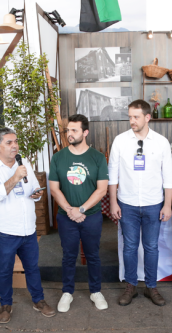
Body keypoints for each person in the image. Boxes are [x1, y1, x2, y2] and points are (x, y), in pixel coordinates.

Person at [0, 127, 55, 323]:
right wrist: (14, 177)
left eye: (15, 142)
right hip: (6, 231)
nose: (14, 146)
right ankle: (6, 304)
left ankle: (38, 300)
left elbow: (33, 188)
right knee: (5, 270)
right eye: (9, 143)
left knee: (32, 268)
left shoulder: (24, 163)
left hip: (28, 229)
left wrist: (37, 193)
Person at [108, 99, 172, 306]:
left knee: (151, 247)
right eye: (130, 117)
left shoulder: (161, 142)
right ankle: (130, 286)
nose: (132, 121)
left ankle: (151, 286)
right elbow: (113, 175)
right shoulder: (120, 141)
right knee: (129, 247)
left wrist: (167, 205)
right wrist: (113, 203)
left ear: (147, 117)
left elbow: (169, 177)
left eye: (136, 117)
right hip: (127, 203)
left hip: (153, 203)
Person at [49, 114, 109, 312]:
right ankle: (67, 292)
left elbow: (102, 189)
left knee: (93, 255)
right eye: (68, 130)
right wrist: (70, 210)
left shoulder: (97, 158)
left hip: (91, 216)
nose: (69, 134)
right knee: (68, 255)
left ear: (85, 132)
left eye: (74, 130)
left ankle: (95, 291)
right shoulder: (58, 158)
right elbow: (54, 189)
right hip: (66, 217)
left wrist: (81, 209)